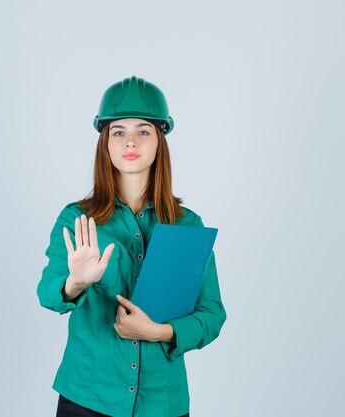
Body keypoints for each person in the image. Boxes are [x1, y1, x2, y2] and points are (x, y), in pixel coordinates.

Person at [37, 75, 227, 417]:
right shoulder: (77, 220)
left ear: (159, 141)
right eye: (118, 132)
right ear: (105, 142)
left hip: (162, 404)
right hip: (88, 399)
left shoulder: (188, 225)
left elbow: (212, 315)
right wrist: (75, 283)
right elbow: (47, 294)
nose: (131, 141)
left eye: (143, 131)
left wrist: (157, 331)